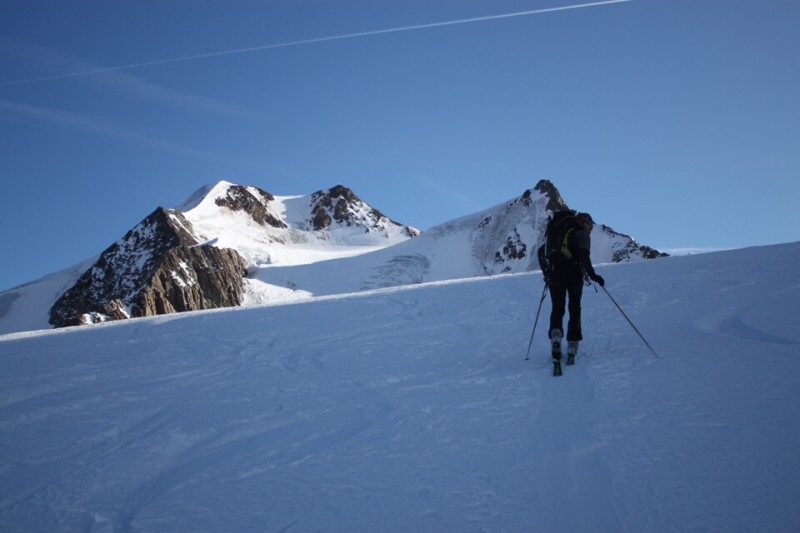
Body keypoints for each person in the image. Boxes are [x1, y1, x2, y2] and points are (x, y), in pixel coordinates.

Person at [546, 212, 604, 374]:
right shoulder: (582, 235)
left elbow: (543, 253)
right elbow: (584, 257)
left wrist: (548, 275)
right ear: (583, 223)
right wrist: (593, 275)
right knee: (574, 307)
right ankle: (572, 343)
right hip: (574, 274)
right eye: (590, 223)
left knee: (557, 307)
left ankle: (556, 337)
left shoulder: (560, 233)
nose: (591, 226)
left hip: (556, 273)